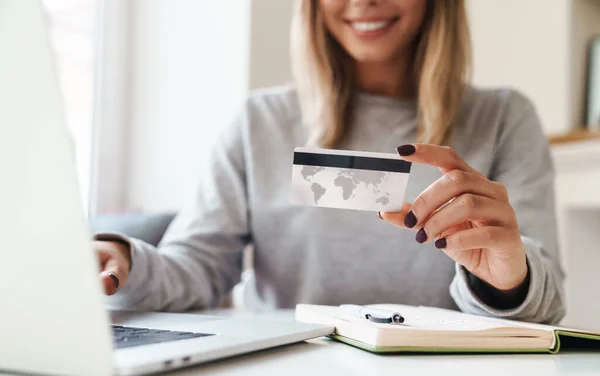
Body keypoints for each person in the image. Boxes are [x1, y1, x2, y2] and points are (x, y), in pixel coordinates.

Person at [94, 0, 565, 323]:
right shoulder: (259, 121)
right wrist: (126, 260)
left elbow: (547, 299)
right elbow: (197, 265)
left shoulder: (504, 118)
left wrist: (506, 280)